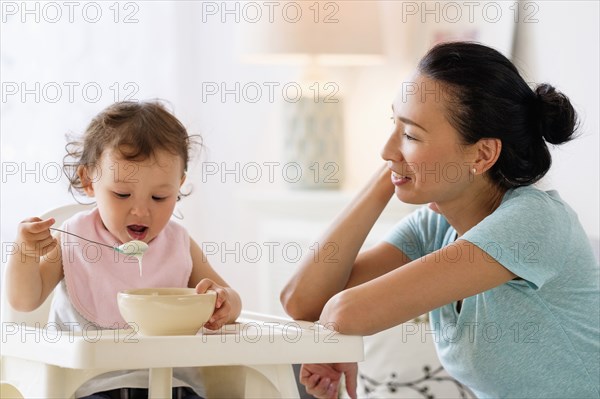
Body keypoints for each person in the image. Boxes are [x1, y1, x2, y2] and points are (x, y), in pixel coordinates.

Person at [280, 42, 599, 398]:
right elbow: (302, 300)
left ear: (482, 154)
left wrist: (338, 342)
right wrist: (391, 173)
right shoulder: (436, 227)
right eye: (394, 123)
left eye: (411, 134)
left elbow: (344, 312)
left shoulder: (534, 222)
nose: (386, 150)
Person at [6, 101, 242, 399]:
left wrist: (224, 302)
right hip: (89, 387)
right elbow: (24, 301)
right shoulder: (74, 238)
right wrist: (25, 252)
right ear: (89, 180)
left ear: (179, 185)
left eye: (159, 197)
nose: (141, 211)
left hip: (173, 385)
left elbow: (231, 302)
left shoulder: (179, 244)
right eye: (122, 194)